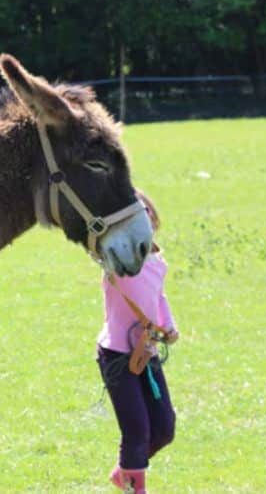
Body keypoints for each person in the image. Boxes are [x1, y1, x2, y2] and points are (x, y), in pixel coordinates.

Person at [97, 190, 179, 494]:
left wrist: (168, 326)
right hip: (117, 356)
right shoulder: (116, 263)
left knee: (164, 428)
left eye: (145, 213)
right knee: (137, 430)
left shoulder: (158, 263)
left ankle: (125, 472)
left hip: (146, 352)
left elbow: (159, 297)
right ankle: (136, 487)